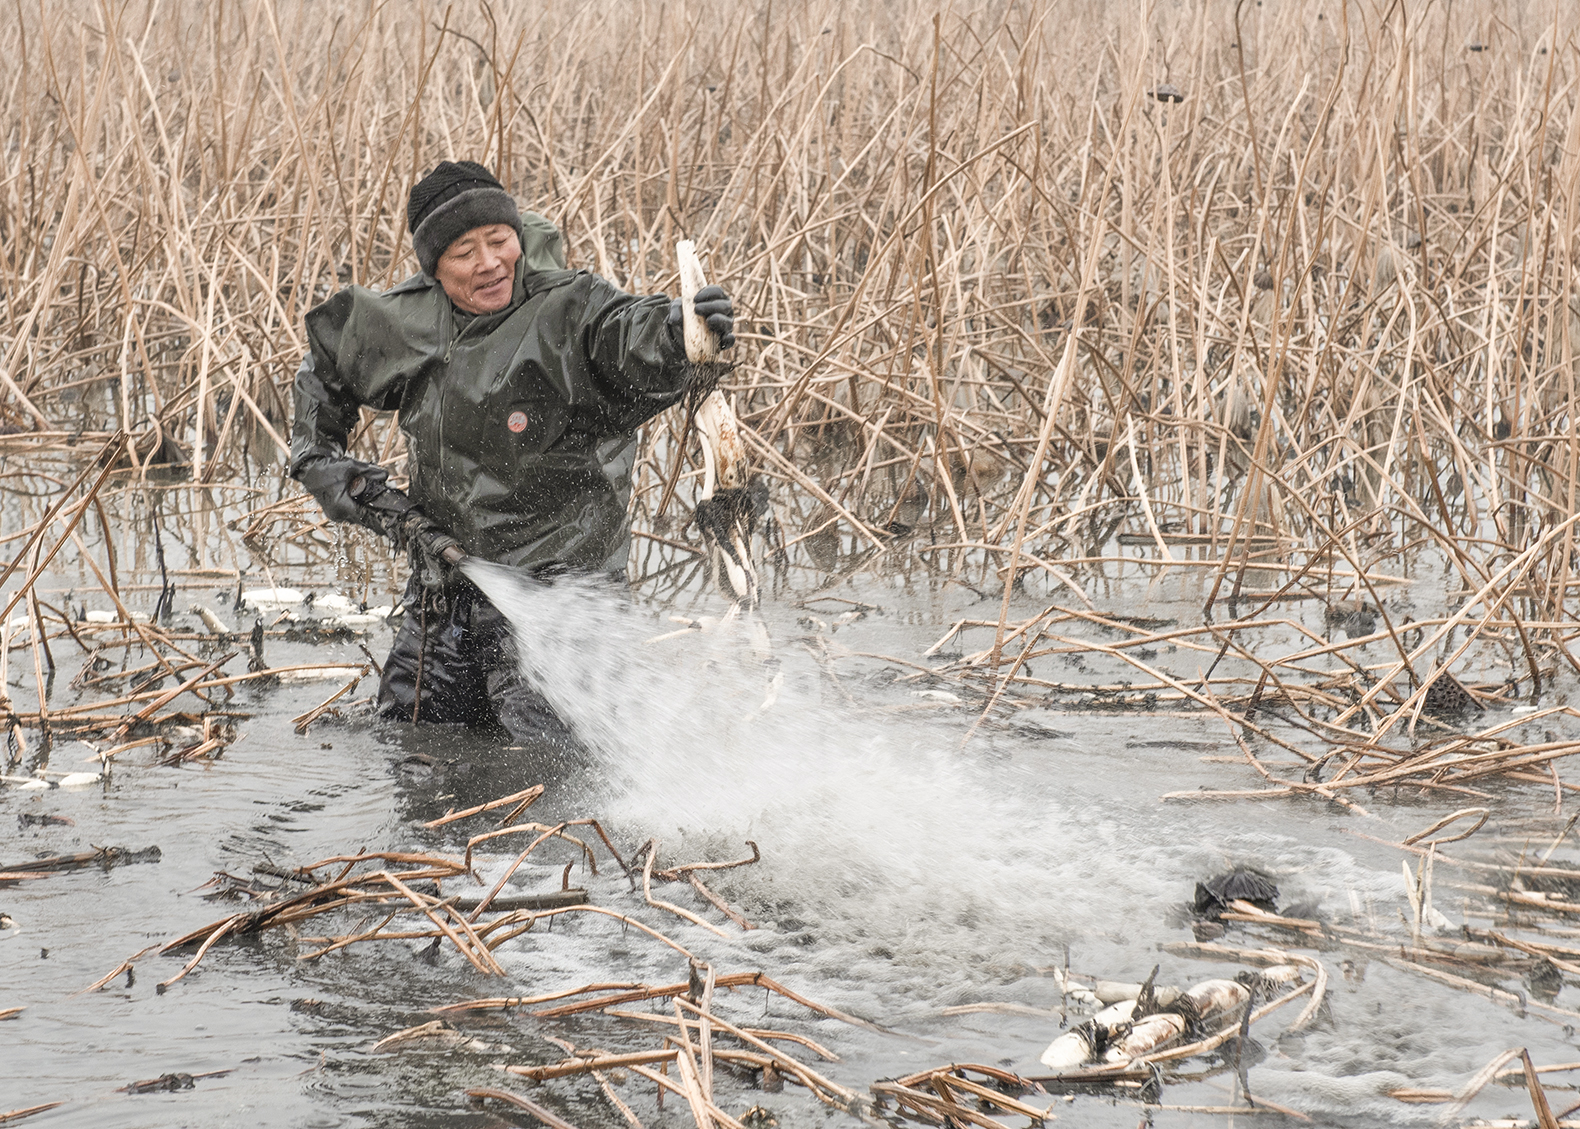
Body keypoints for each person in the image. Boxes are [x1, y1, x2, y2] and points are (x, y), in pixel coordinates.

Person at [289, 160, 734, 740]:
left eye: (499, 241)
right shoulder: (405, 323)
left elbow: (624, 332)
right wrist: (344, 479)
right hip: (444, 590)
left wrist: (679, 329)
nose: (491, 263)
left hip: (559, 597)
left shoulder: (569, 308)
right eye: (465, 253)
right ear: (434, 270)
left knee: (551, 775)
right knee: (409, 743)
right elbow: (324, 379)